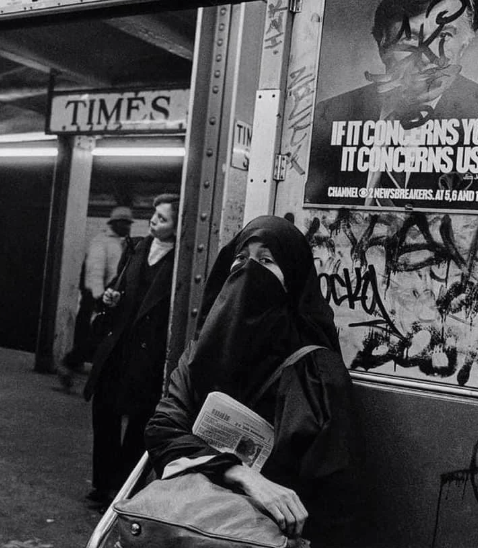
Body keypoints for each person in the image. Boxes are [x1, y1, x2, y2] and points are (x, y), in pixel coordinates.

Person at [144, 215, 365, 548]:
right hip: (186, 526)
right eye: (241, 259)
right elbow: (163, 428)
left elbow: (335, 493)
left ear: (292, 278)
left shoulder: (316, 371)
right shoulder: (200, 354)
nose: (249, 270)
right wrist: (242, 474)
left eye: (266, 261)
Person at [305, 0, 478, 208]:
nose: (429, 55)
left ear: (465, 43)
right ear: (382, 44)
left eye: (444, 36)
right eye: (410, 38)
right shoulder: (330, 116)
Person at [83, 193, 180, 509]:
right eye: (154, 215)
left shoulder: (180, 260)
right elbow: (119, 285)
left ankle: (122, 491)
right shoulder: (137, 247)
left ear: (179, 226)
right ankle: (102, 485)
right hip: (119, 346)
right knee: (106, 414)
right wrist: (111, 296)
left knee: (139, 424)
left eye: (162, 218)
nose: (153, 221)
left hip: (148, 354)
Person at [57, 205, 134, 391]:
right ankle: (68, 363)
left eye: (128, 224)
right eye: (124, 223)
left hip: (107, 294)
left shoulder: (118, 242)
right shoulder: (102, 242)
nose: (127, 227)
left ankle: (72, 363)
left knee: (94, 335)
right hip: (97, 294)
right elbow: (95, 271)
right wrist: (100, 299)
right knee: (95, 336)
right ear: (114, 223)